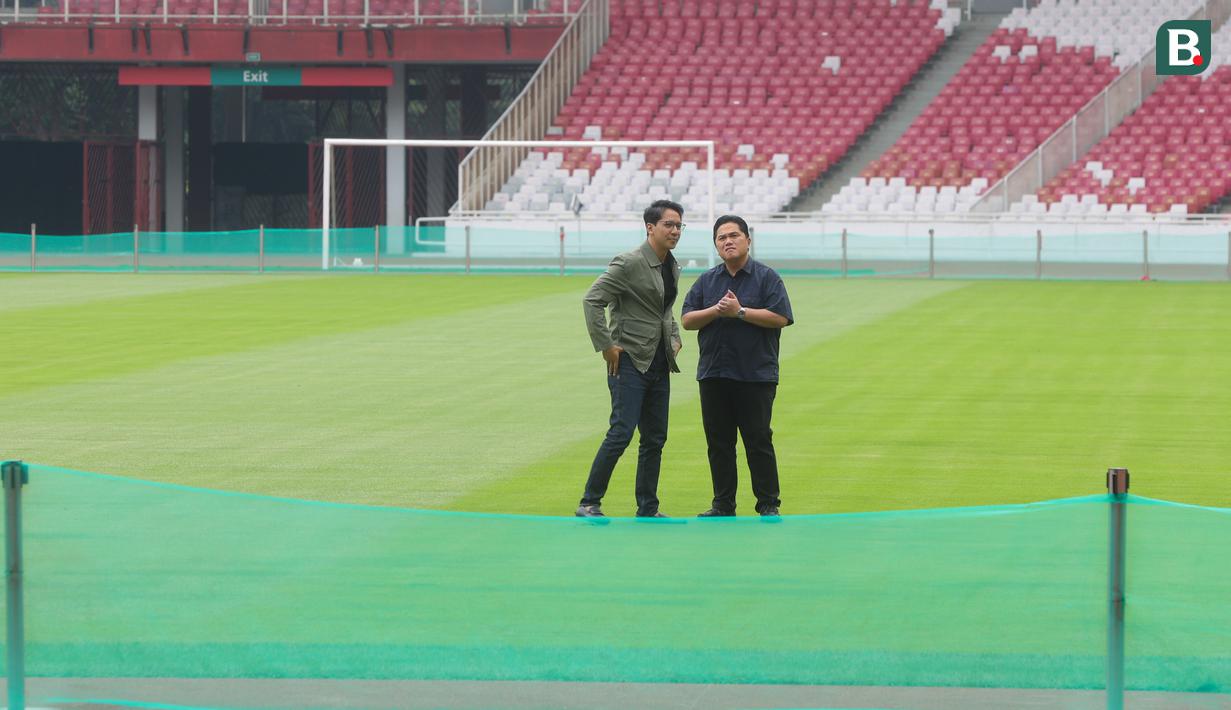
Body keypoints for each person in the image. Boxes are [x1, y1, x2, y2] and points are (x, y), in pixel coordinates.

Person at [577, 200, 685, 518]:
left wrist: (675, 336)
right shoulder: (629, 263)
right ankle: (589, 502)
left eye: (679, 225)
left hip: (658, 360)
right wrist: (606, 345)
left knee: (655, 437)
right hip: (628, 360)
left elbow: (662, 309)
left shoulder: (671, 264)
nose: (675, 231)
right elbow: (592, 300)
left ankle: (648, 508)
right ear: (650, 227)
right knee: (622, 431)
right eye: (669, 224)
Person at [681, 215, 793, 517]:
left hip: (755, 373)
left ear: (747, 239)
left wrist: (740, 311)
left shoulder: (767, 278)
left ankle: (768, 504)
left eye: (733, 235)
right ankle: (723, 504)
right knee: (718, 443)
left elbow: (780, 316)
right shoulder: (708, 280)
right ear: (716, 245)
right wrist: (716, 311)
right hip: (714, 372)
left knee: (758, 440)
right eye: (721, 238)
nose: (727, 241)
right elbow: (688, 320)